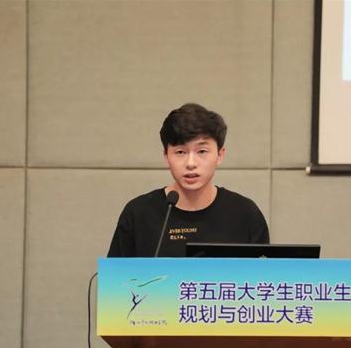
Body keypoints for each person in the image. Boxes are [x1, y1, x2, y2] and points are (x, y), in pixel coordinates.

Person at [107, 103, 269, 257]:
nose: (191, 163)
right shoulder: (138, 214)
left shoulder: (245, 214)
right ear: (166, 156)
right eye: (180, 152)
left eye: (202, 151)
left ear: (220, 155)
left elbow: (265, 274)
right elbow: (115, 276)